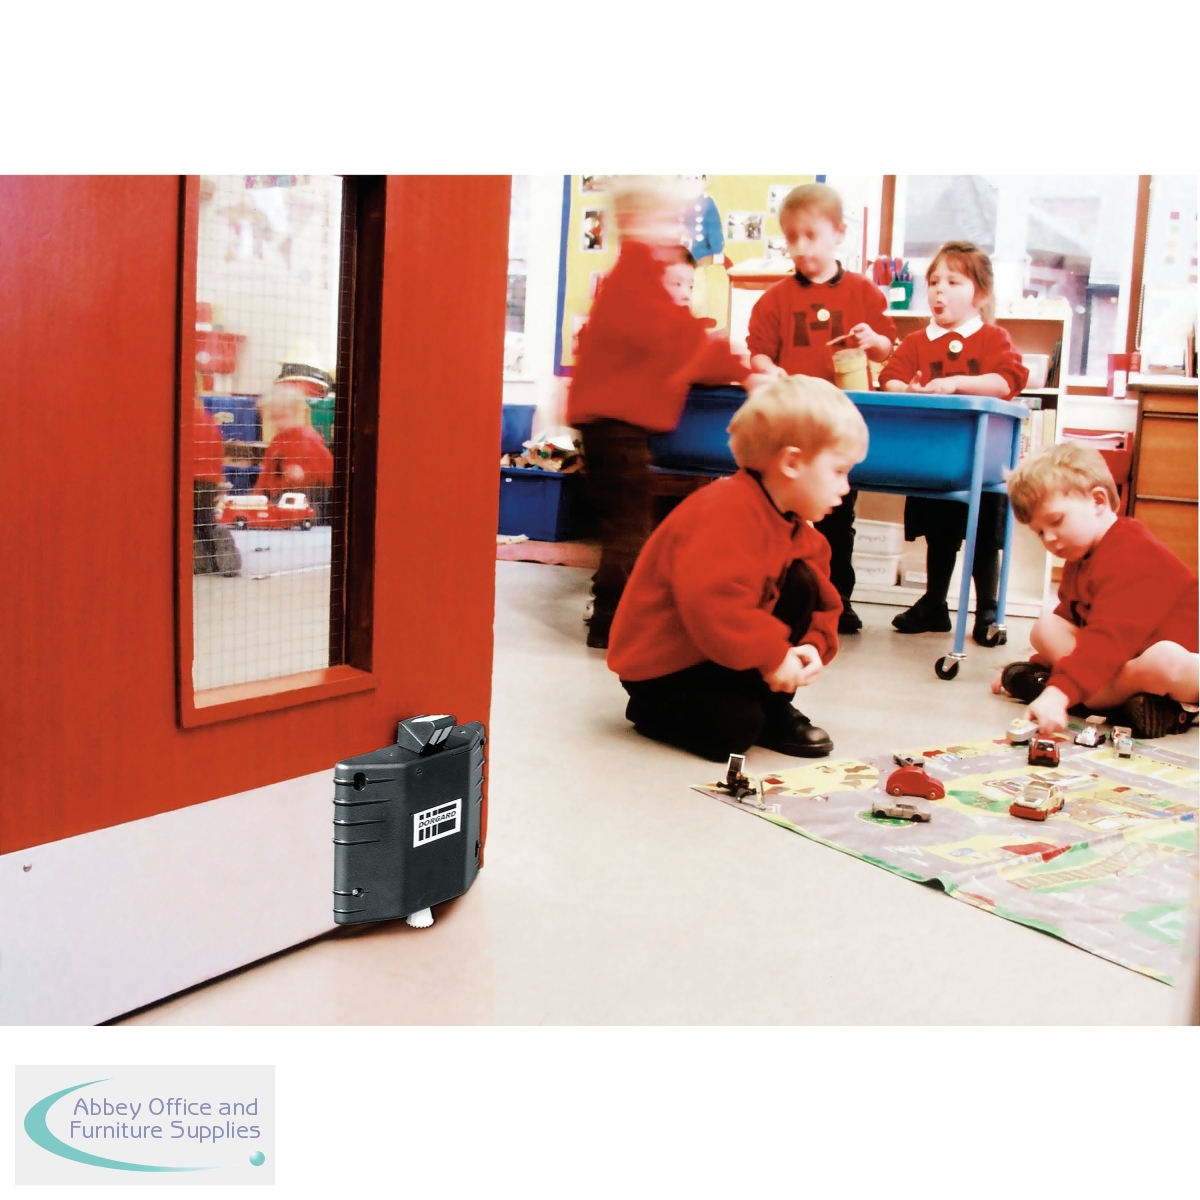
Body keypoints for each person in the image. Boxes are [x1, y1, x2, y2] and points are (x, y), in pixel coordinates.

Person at [607, 375, 867, 762]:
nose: (845, 487)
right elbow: (714, 605)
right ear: (792, 462)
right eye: (839, 471)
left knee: (802, 579)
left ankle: (771, 703)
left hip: (717, 654)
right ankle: (650, 709)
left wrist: (813, 645)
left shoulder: (797, 529)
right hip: (663, 668)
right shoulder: (724, 512)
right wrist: (773, 656)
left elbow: (825, 601)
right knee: (733, 731)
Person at [568, 176, 772, 650]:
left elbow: (673, 337)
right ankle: (613, 622)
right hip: (614, 424)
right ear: (635, 222)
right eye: (666, 221)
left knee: (624, 522)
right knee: (629, 526)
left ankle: (611, 614)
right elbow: (676, 338)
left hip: (608, 421)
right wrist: (744, 372)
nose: (675, 230)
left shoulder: (636, 274)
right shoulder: (639, 273)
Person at [746, 183, 896, 636]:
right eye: (792, 237)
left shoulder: (863, 293)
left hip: (838, 428)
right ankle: (775, 598)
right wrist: (768, 369)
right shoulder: (774, 299)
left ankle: (838, 601)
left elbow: (886, 348)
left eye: (811, 235)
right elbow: (759, 353)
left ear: (839, 234)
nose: (801, 247)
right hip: (792, 424)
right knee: (781, 515)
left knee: (837, 519)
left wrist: (874, 341)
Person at [993, 441, 1199, 739]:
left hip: (1177, 661)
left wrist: (1059, 691)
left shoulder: (1133, 552)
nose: (1049, 539)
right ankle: (1119, 701)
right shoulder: (1079, 559)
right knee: (1046, 628)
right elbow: (1075, 622)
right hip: (1124, 664)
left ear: (1098, 501)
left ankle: (1160, 708)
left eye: (1056, 521)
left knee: (1165, 658)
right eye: (1040, 532)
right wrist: (1039, 663)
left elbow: (1108, 638)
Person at [878, 241, 1028, 644]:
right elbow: (889, 378)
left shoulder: (992, 337)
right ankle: (935, 603)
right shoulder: (916, 341)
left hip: (983, 458)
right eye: (933, 282)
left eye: (953, 282)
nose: (939, 290)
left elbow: (1006, 380)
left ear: (980, 294)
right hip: (935, 458)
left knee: (983, 533)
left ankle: (988, 610)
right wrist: (908, 390)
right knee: (938, 530)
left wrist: (956, 383)